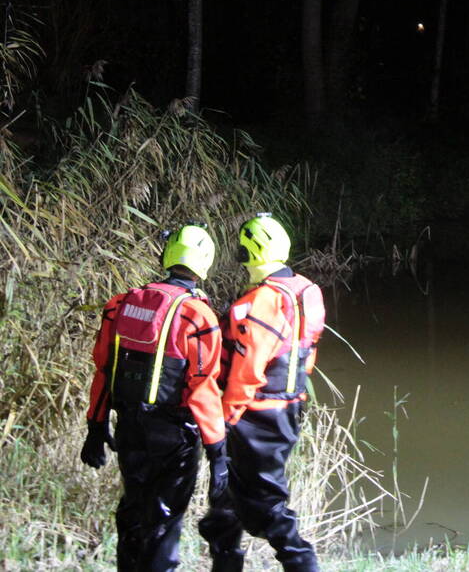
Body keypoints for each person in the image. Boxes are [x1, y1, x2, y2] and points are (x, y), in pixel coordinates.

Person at [81, 223, 228, 571]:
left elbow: (103, 369)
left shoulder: (123, 303)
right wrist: (217, 451)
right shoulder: (198, 316)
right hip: (174, 435)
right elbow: (203, 388)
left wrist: (95, 427)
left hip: (130, 427)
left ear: (167, 256)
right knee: (163, 524)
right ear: (204, 262)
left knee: (133, 510)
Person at [200, 213, 325, 572]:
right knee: (224, 506)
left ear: (250, 252)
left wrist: (224, 421)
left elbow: (248, 372)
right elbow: (305, 353)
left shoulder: (258, 303)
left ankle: (302, 563)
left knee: (267, 507)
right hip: (288, 406)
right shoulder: (307, 289)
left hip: (256, 415)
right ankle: (225, 560)